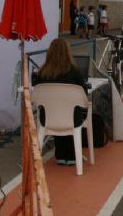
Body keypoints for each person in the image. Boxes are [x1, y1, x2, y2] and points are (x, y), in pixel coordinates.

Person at [32, 38, 87, 166]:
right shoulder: (75, 72)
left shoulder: (41, 74)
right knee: (74, 110)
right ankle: (71, 156)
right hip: (72, 119)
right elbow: (83, 96)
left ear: (49, 53)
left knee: (56, 110)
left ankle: (60, 155)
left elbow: (36, 98)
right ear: (67, 52)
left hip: (47, 119)